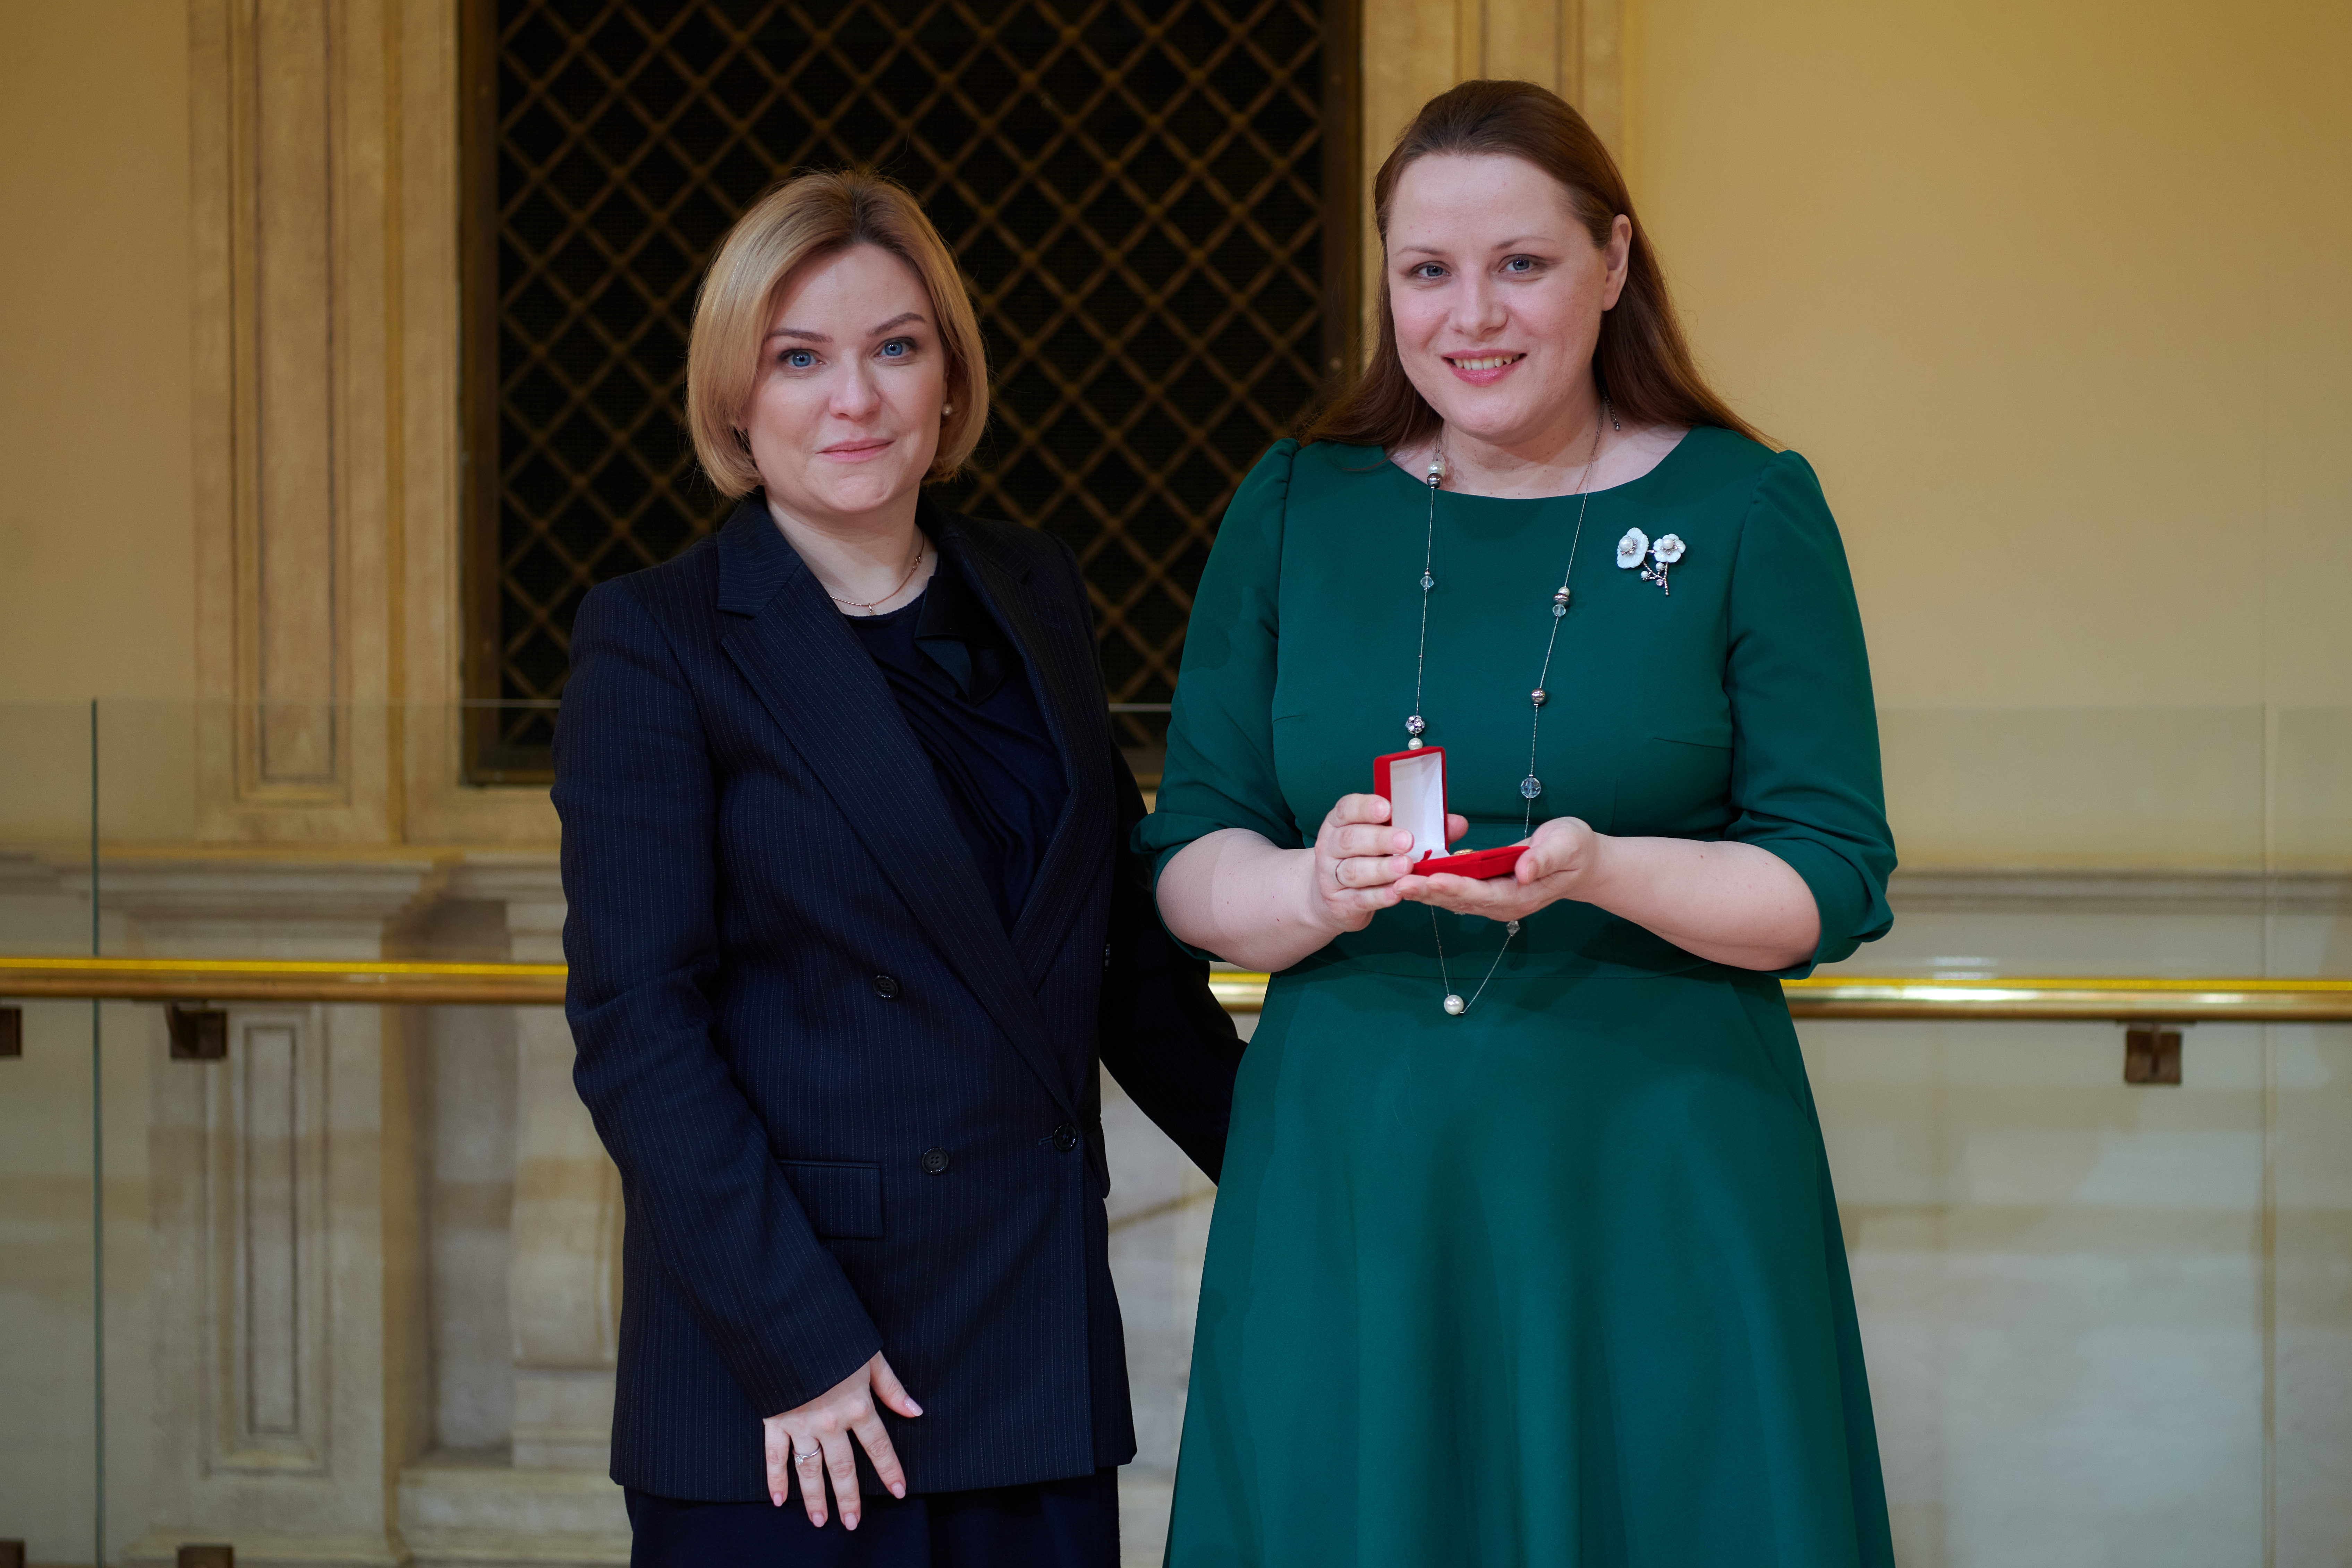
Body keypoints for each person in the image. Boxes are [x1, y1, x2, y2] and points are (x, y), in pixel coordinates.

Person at [1139, 80, 1899, 1566]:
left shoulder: (1748, 507)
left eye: (1522, 264)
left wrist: (1607, 871)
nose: (1471, 315)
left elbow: (1830, 872)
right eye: (1427, 270)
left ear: (1612, 263)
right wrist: (1312, 888)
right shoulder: (1294, 506)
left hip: (1655, 1168)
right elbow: (1190, 856)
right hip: (1355, 1170)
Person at [552, 170, 1242, 1567]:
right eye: (798, 359)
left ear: (950, 378)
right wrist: (796, 1345)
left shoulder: (1033, 589)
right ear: (735, 399)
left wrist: (1315, 1171)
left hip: (1030, 1344)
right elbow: (638, 1027)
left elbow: (1122, 958)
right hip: (800, 1378)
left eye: (895, 348)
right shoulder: (657, 637)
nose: (854, 399)